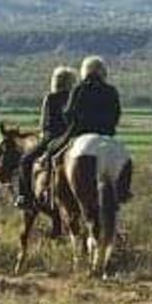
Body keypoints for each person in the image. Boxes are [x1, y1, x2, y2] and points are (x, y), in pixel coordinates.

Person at [55, 55, 128, 200]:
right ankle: (124, 191)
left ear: (85, 71)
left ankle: (56, 192)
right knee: (126, 159)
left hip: (81, 135)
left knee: (55, 157)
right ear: (103, 72)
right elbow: (116, 114)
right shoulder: (111, 90)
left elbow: (69, 113)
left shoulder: (78, 89)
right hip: (107, 136)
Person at [13, 66, 75, 210]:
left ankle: (25, 197)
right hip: (70, 137)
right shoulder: (74, 97)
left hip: (52, 137)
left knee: (25, 160)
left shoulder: (51, 98)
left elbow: (45, 123)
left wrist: (43, 134)